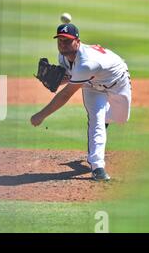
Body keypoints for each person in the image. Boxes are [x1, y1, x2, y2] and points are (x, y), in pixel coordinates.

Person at [30, 23, 131, 181]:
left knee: (121, 119)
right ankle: (98, 167)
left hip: (117, 82)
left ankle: (105, 120)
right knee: (95, 120)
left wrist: (41, 115)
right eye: (60, 40)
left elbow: (66, 94)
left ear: (77, 41)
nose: (63, 44)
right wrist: (57, 79)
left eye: (67, 41)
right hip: (91, 87)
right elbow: (71, 77)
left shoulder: (86, 62)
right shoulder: (62, 57)